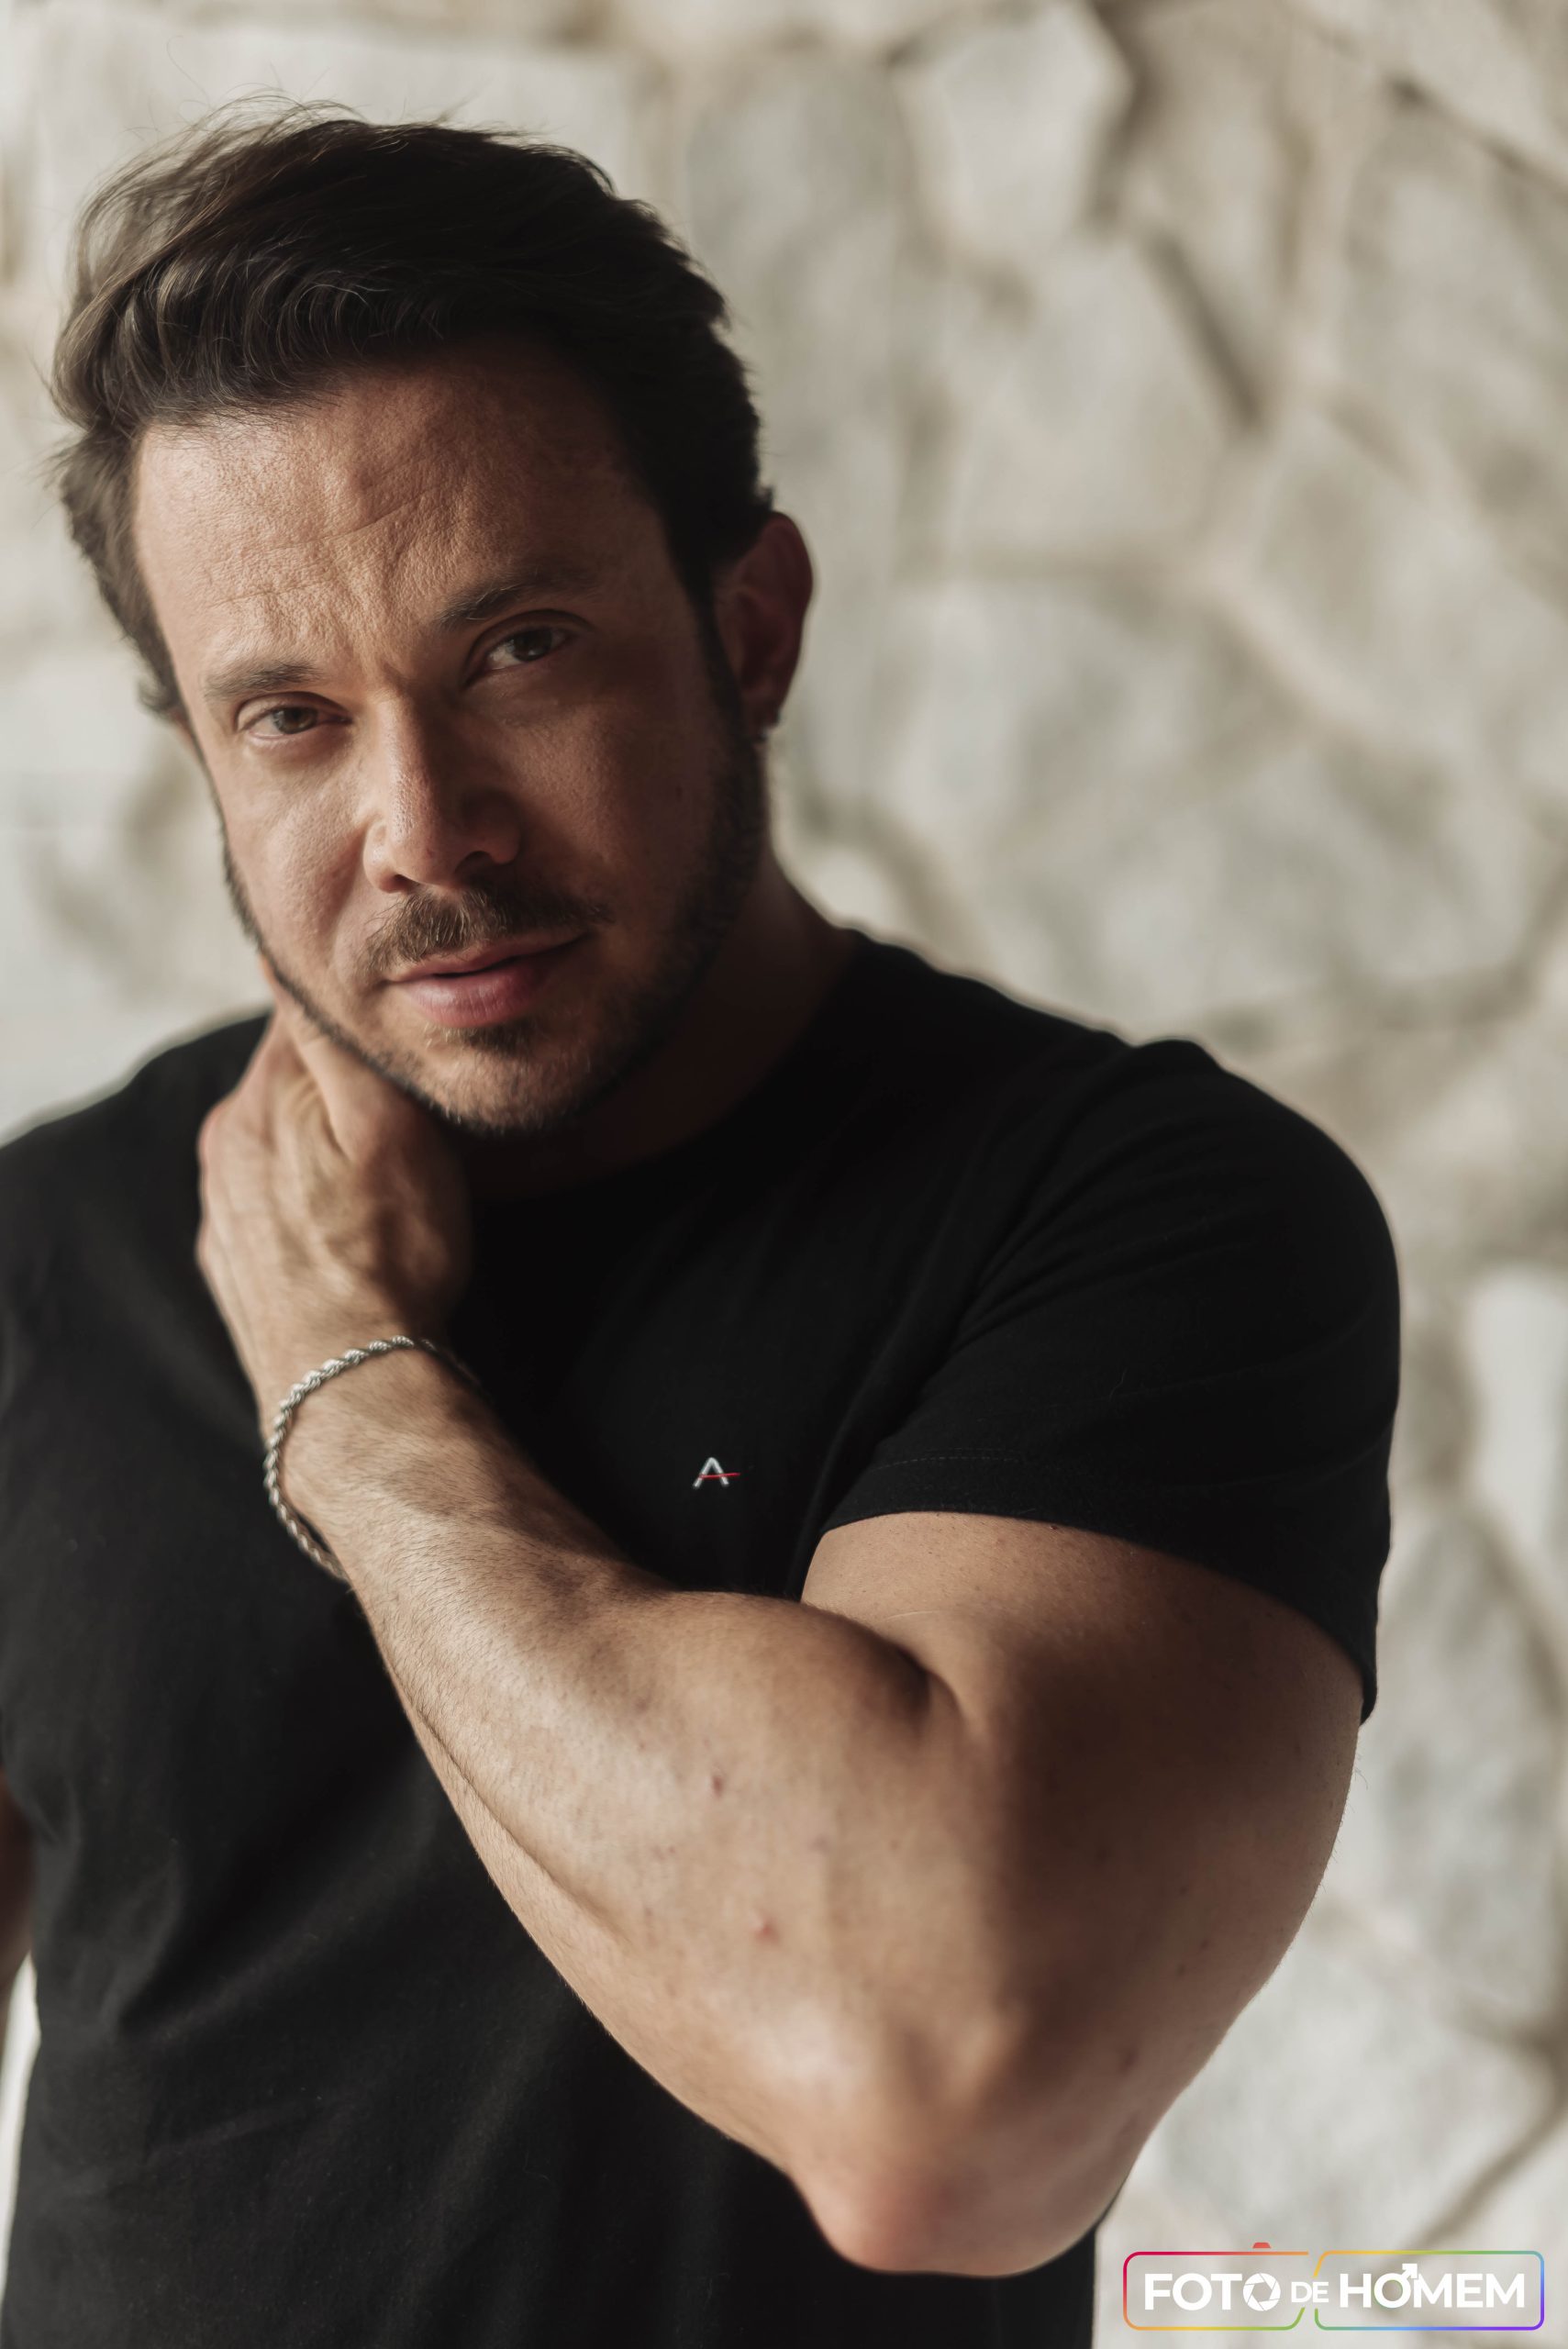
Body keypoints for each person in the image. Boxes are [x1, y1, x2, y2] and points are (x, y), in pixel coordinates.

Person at [0, 102, 1400, 2349]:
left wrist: (349, 1388)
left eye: (520, 649)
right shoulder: (42, 1250)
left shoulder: (1136, 1212)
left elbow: (948, 2104)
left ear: (751, 626)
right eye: (292, 717)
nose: (422, 828)